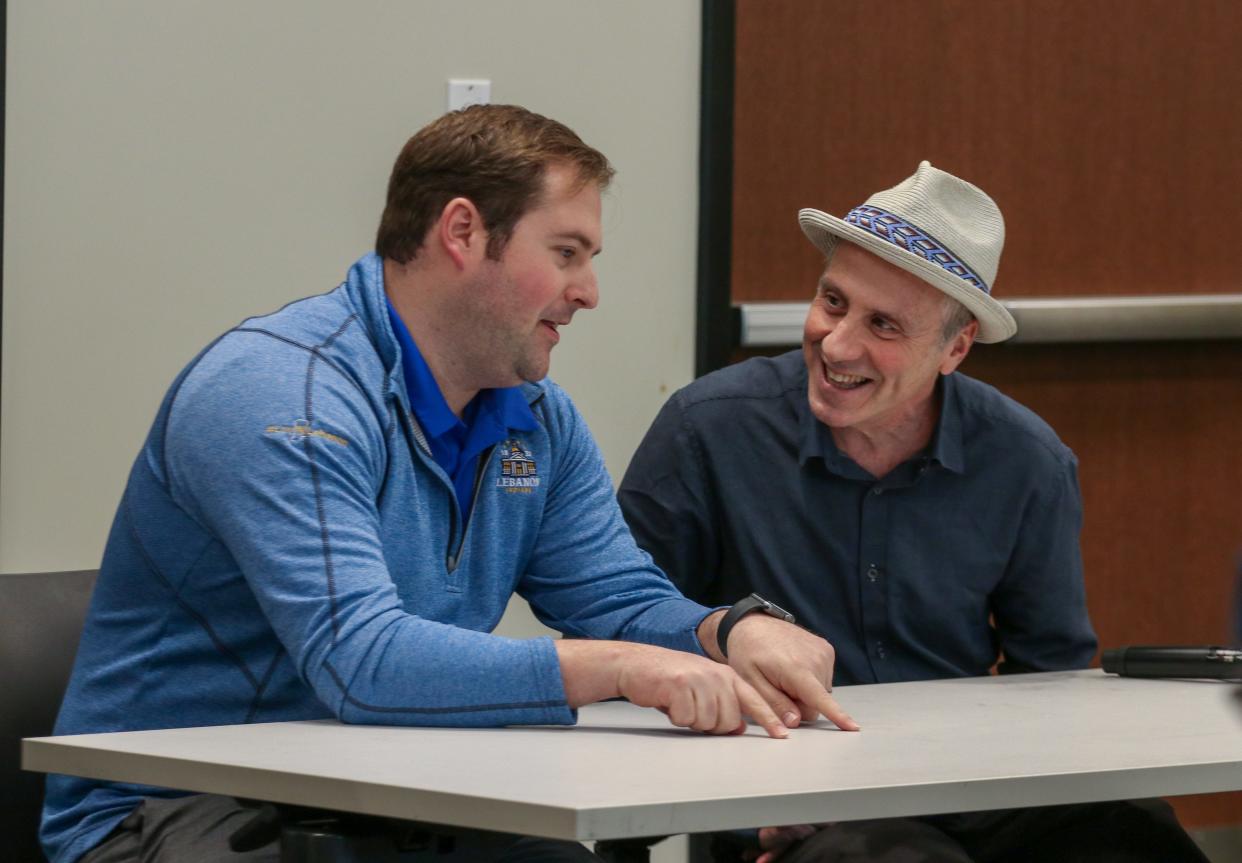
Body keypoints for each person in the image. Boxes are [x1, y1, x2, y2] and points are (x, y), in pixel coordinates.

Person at [43, 105, 857, 863]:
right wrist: (617, 667)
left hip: (384, 793)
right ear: (463, 231)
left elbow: (617, 598)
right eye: (566, 253)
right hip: (170, 810)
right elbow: (361, 660)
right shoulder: (284, 392)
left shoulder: (538, 417)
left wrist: (728, 630)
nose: (589, 292)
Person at [619, 162, 1207, 862]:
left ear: (955, 348)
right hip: (790, 798)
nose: (837, 344)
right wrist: (743, 804)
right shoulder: (707, 430)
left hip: (971, 790)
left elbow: (1054, 686)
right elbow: (625, 628)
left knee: (1140, 834)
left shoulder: (1026, 460)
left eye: (883, 325)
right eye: (832, 302)